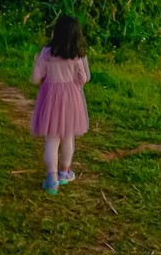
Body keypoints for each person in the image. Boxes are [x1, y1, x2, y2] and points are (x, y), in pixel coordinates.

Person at [30, 15, 90, 194]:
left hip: (50, 99)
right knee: (68, 136)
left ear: (56, 32)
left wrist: (39, 69)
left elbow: (36, 78)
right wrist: (72, 84)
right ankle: (65, 172)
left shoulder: (47, 52)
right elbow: (83, 78)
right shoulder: (76, 55)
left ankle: (52, 179)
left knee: (52, 138)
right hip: (71, 99)